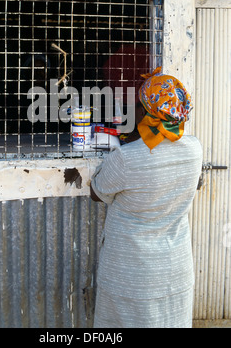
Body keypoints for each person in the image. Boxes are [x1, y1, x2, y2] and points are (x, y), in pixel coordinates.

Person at [90, 66, 203, 328]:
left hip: (131, 273)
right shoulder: (194, 149)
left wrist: (123, 150)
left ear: (145, 111)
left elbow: (97, 193)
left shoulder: (126, 158)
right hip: (175, 269)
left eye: (139, 104)